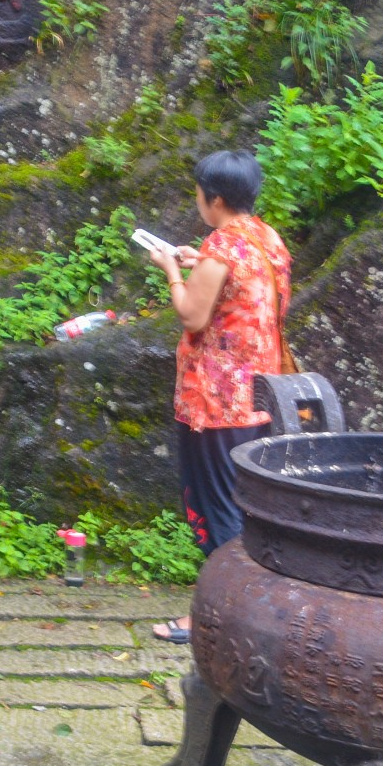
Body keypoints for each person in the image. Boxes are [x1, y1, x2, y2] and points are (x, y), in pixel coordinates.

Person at [142, 149, 292, 644]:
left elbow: (192, 315)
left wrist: (170, 269)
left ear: (216, 198)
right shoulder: (267, 239)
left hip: (216, 401)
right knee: (247, 504)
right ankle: (249, 607)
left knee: (219, 509)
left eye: (200, 192)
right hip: (260, 395)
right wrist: (196, 260)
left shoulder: (223, 245)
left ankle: (220, 615)